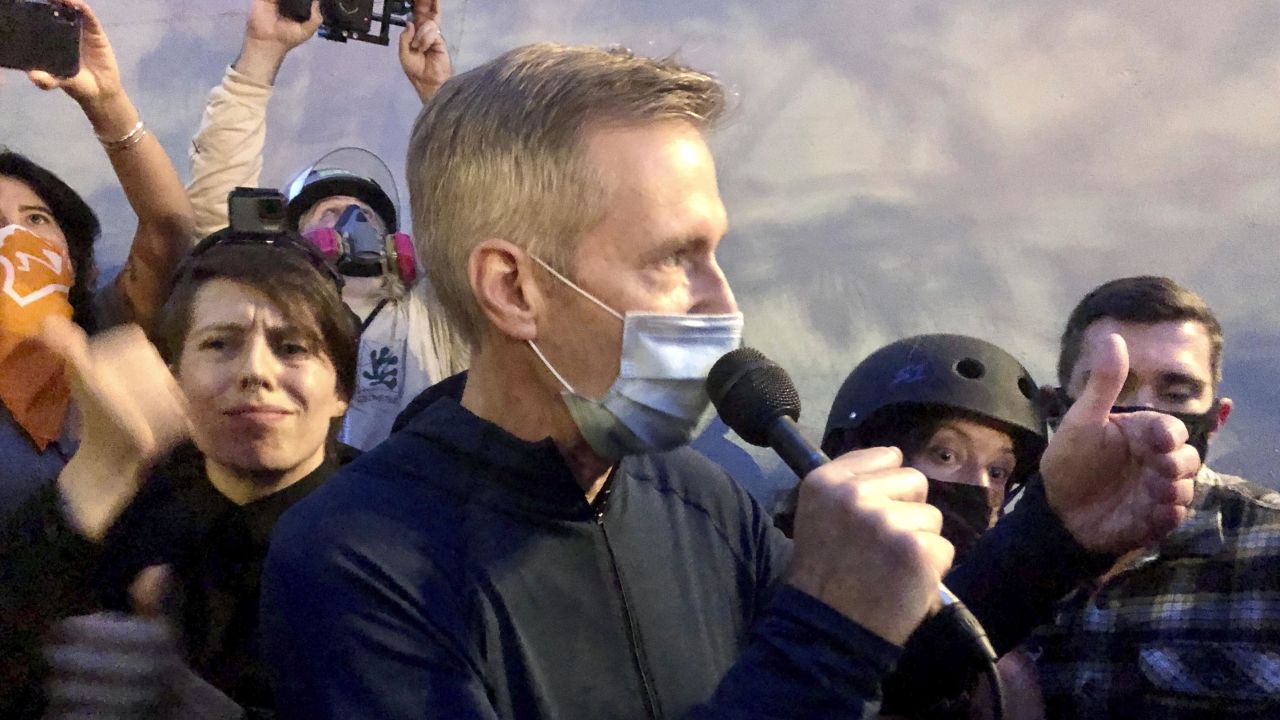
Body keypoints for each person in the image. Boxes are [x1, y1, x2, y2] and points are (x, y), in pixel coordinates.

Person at [260, 44, 1200, 719]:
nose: (723, 302)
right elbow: (818, 661)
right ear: (513, 289)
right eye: (677, 258)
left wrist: (1054, 532)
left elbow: (871, 674)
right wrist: (825, 627)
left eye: (718, 251)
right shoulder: (353, 559)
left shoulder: (703, 494)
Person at [0, 233, 358, 718]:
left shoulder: (396, 539)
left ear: (342, 390)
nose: (255, 371)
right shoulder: (126, 509)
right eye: (219, 344)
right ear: (175, 377)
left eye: (292, 347)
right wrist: (94, 474)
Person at [185, 0, 463, 451]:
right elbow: (219, 205)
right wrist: (261, 53)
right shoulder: (268, 309)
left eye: (365, 215)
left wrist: (440, 96)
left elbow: (473, 218)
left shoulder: (431, 316)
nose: (352, 221)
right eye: (330, 213)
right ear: (298, 242)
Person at [1017, 276, 1280, 719]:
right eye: (1113, 388)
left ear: (1216, 419)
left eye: (1176, 394)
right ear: (1056, 410)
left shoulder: (1270, 550)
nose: (1147, 415)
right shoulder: (993, 560)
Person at [0, 0, 196, 515]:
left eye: (37, 219)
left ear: (74, 251)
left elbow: (169, 230)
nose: (16, 236)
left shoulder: (100, 333)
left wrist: (105, 99)